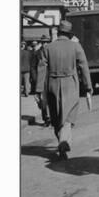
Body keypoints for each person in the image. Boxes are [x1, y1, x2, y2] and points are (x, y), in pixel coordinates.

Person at [43, 20, 92, 160]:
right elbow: (84, 66)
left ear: (58, 32)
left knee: (56, 116)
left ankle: (61, 140)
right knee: (68, 117)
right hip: (71, 83)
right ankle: (63, 142)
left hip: (52, 83)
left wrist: (39, 90)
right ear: (70, 34)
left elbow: (42, 70)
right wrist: (88, 86)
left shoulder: (48, 47)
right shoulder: (76, 46)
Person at [30, 37, 50, 125]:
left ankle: (52, 117)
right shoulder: (36, 53)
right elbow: (33, 67)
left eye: (47, 42)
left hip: (50, 79)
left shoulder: (51, 52)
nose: (45, 44)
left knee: (51, 99)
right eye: (44, 42)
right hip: (40, 80)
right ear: (41, 43)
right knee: (43, 100)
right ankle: (46, 118)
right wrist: (35, 79)